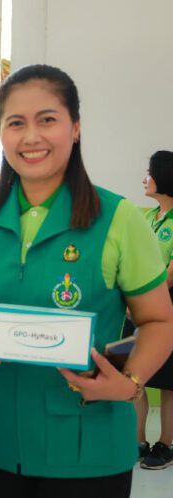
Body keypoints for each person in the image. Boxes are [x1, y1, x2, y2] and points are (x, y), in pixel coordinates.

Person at [0, 64, 173, 498]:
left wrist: (130, 383)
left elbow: (158, 321)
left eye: (47, 119)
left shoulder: (118, 219)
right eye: (16, 122)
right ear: (2, 134)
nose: (31, 136)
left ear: (75, 128)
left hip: (87, 442)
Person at [135, 150, 173, 469]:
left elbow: (169, 275)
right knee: (135, 376)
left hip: (167, 308)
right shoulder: (146, 218)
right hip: (137, 308)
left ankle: (165, 444)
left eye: (149, 172)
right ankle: (137, 441)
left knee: (168, 382)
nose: (145, 179)